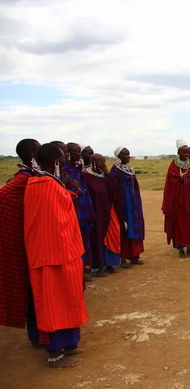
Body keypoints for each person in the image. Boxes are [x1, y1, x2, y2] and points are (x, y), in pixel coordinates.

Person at [24, 143, 88, 368]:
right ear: (54, 163)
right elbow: (53, 223)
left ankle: (69, 344)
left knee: (68, 301)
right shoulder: (43, 186)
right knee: (53, 306)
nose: (65, 162)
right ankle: (54, 354)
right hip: (52, 257)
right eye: (63, 159)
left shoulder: (46, 183)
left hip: (65, 255)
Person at [0, 139, 40, 333]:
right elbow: (4, 197)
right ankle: (38, 334)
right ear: (33, 153)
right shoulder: (23, 180)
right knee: (32, 290)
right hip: (26, 242)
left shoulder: (35, 176)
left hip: (36, 240)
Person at [83, 154, 122, 276]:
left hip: (108, 212)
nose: (102, 165)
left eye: (103, 162)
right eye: (99, 163)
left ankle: (109, 263)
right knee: (96, 239)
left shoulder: (105, 177)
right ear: (93, 163)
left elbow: (115, 191)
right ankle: (97, 267)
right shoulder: (86, 177)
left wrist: (107, 174)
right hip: (95, 214)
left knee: (111, 235)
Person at [162, 140, 190, 257]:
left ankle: (189, 246)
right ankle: (180, 248)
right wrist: (180, 180)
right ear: (178, 152)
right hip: (178, 201)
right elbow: (171, 182)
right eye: (184, 153)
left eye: (187, 153)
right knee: (179, 223)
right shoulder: (173, 165)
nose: (186, 155)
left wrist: (188, 181)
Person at [64, 143, 95, 277]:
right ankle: (78, 269)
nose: (79, 154)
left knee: (85, 235)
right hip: (74, 206)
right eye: (77, 152)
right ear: (68, 153)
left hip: (84, 205)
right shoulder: (64, 170)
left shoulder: (79, 168)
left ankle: (85, 266)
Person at [110, 147, 145, 266]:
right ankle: (123, 258)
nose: (128, 157)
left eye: (129, 154)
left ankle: (135, 256)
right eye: (125, 155)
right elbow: (114, 189)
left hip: (133, 204)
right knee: (124, 229)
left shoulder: (129, 170)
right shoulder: (115, 172)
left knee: (135, 227)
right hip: (123, 205)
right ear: (118, 156)